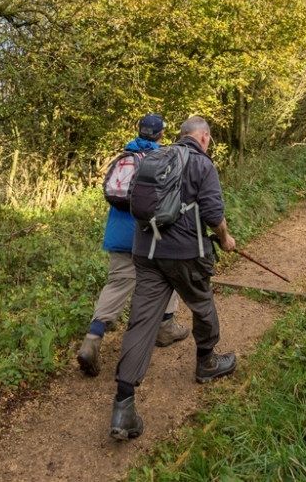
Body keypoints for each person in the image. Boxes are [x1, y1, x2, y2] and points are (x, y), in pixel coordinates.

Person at [109, 116, 237, 441]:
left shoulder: (153, 158)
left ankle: (123, 403)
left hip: (146, 251)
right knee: (201, 300)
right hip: (183, 253)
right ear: (204, 137)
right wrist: (225, 239)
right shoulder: (201, 164)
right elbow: (213, 215)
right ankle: (207, 362)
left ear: (180, 136)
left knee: (142, 320)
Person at [77, 114, 189, 377]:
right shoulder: (164, 158)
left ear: (139, 132)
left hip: (118, 233)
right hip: (148, 233)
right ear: (161, 135)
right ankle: (165, 327)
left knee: (117, 284)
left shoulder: (125, 155)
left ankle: (92, 340)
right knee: (168, 275)